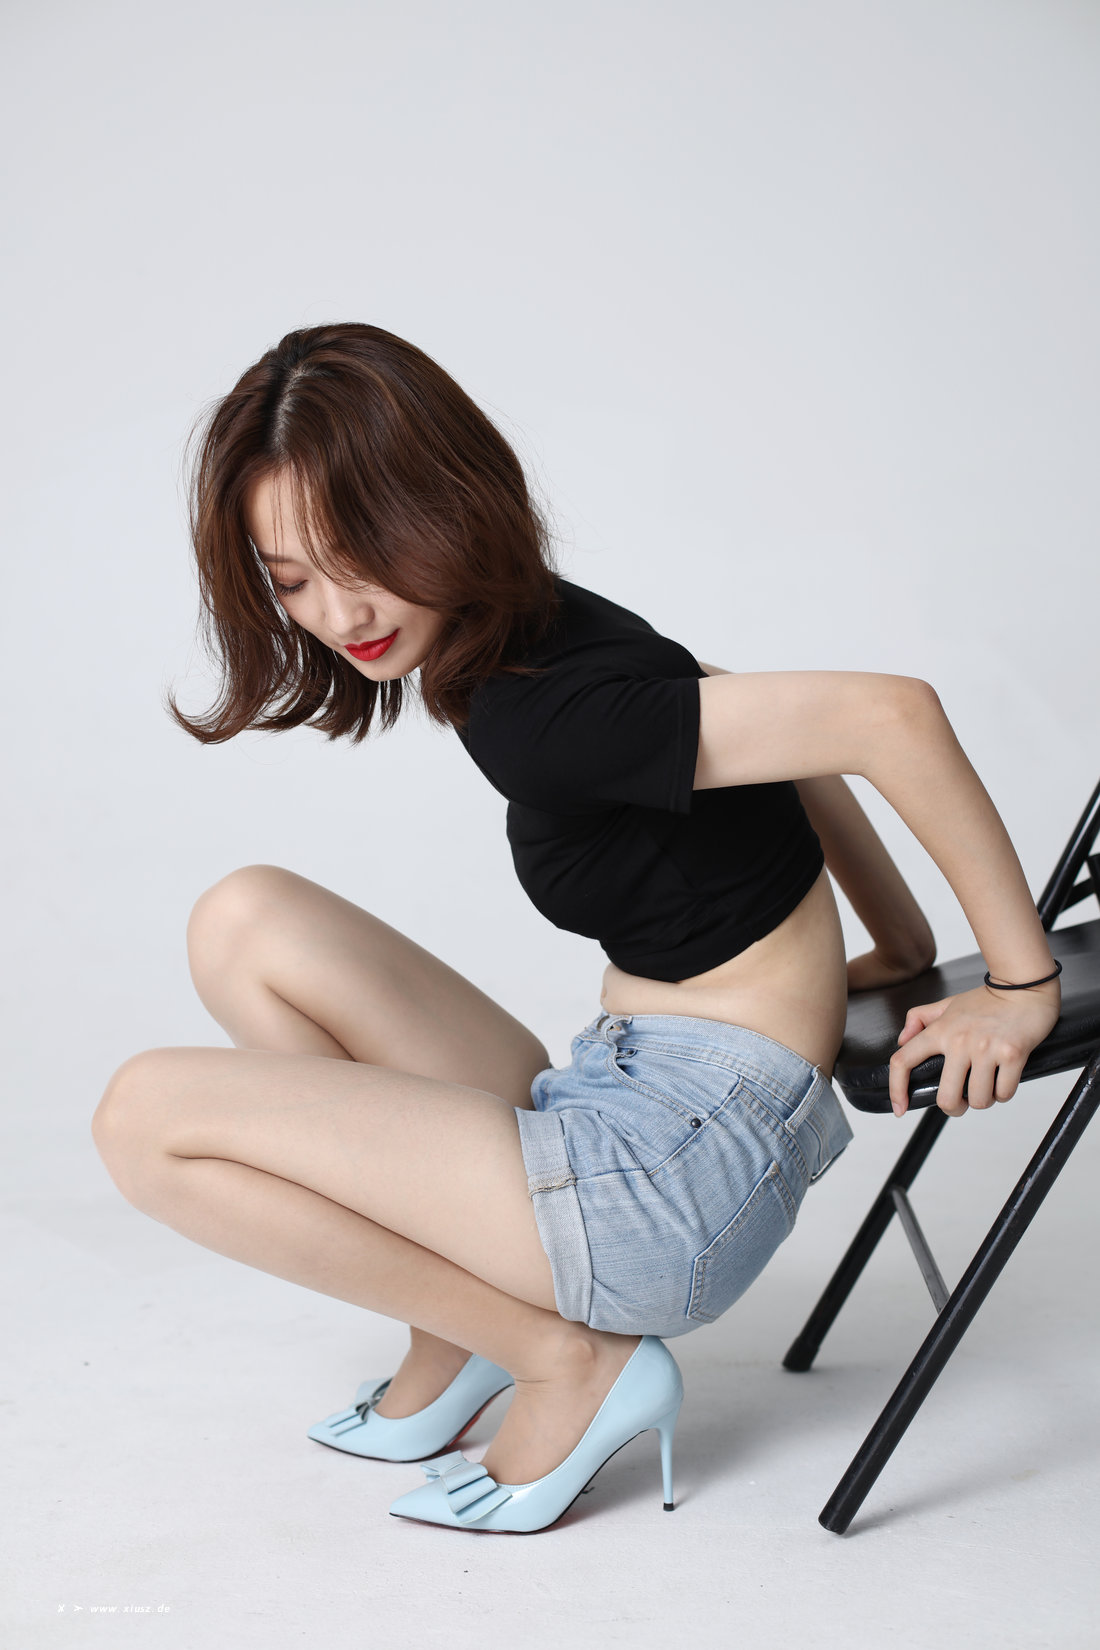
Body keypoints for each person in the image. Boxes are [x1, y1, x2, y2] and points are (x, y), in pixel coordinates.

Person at [91, 322, 1062, 1534]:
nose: (338, 613)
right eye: (291, 580)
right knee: (245, 921)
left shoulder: (543, 719)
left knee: (142, 1120)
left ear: (443, 504)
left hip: (665, 1187)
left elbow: (888, 718)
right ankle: (454, 1328)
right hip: (627, 1096)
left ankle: (559, 1356)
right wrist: (899, 945)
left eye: (361, 556)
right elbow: (762, 722)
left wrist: (1016, 987)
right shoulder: (534, 629)